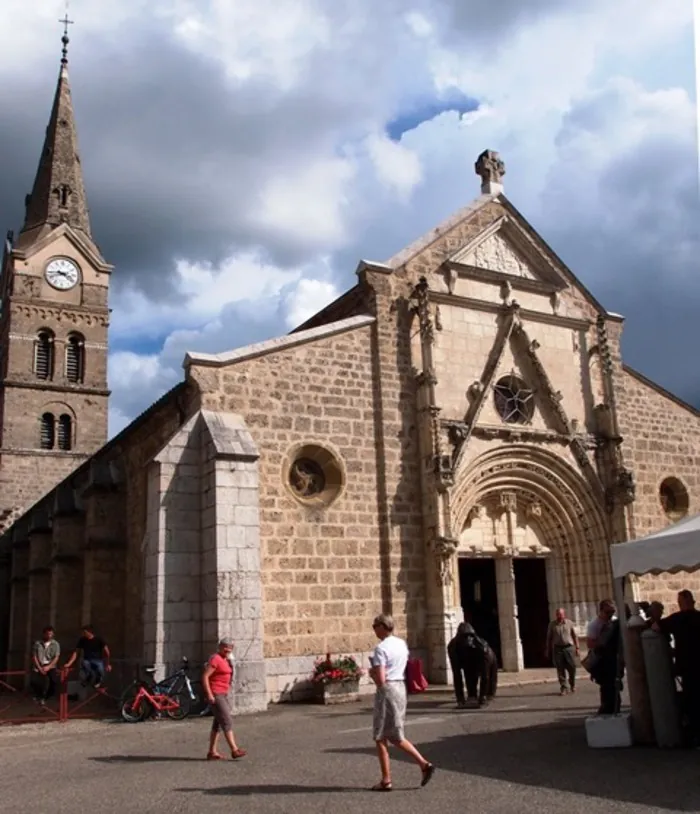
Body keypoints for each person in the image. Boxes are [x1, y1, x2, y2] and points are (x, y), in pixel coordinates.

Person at [368, 613, 435, 792]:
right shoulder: (401, 643)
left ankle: (387, 779)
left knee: (381, 735)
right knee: (395, 733)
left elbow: (381, 679)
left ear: (382, 626)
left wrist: (372, 674)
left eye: (375, 625)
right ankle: (421, 765)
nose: (373, 629)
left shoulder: (380, 649)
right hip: (400, 687)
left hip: (387, 689)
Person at [655, 590, 700, 746]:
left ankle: (694, 735)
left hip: (686, 666)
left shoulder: (677, 619)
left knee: (691, 701)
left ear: (680, 603)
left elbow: (656, 627)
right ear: (693, 602)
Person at [201, 637, 246, 761]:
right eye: (225, 646)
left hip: (223, 693)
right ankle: (234, 750)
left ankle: (212, 752)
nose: (228, 649)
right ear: (220, 647)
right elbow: (205, 677)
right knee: (227, 721)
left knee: (218, 724)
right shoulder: (215, 659)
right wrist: (209, 694)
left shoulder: (225, 660)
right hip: (216, 694)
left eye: (230, 647)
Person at [586, 599, 623, 715]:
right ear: (601, 611)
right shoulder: (594, 625)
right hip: (602, 662)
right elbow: (590, 644)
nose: (610, 615)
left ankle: (614, 710)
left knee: (615, 688)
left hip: (614, 660)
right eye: (607, 612)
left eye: (612, 612)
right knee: (607, 689)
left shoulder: (615, 622)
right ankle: (606, 711)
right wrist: (603, 640)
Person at [447, 622, 485, 708]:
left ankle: (472, 695)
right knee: (458, 675)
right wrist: (460, 699)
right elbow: (457, 675)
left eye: (470, 636)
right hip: (459, 658)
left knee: (473, 675)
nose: (468, 639)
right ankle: (461, 698)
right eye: (465, 636)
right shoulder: (453, 646)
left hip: (471, 660)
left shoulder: (476, 643)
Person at [545, 608, 579, 695]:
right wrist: (548, 649)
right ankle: (564, 687)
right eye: (557, 614)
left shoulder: (569, 623)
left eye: (561, 614)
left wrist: (577, 648)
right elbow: (549, 638)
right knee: (560, 669)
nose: (559, 616)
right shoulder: (552, 625)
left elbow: (574, 636)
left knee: (572, 667)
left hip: (569, 648)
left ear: (564, 614)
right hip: (558, 649)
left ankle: (572, 684)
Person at [30, 626, 61, 707]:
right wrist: (39, 668)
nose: (49, 636)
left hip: (50, 665)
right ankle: (38, 697)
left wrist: (49, 666)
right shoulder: (37, 644)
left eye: (51, 634)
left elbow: (56, 657)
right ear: (44, 634)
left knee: (54, 681)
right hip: (39, 665)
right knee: (35, 681)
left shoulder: (55, 644)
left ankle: (46, 697)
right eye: (47, 634)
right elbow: (34, 656)